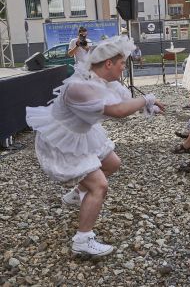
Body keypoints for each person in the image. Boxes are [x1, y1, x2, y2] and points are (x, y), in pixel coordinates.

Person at [26, 36, 164, 256]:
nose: (122, 68)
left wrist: (149, 107)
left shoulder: (104, 80)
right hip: (62, 139)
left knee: (112, 163)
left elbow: (124, 101)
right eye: (121, 64)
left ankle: (75, 194)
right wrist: (147, 99)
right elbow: (118, 111)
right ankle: (82, 240)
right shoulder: (79, 87)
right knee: (99, 186)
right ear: (108, 63)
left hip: (83, 133)